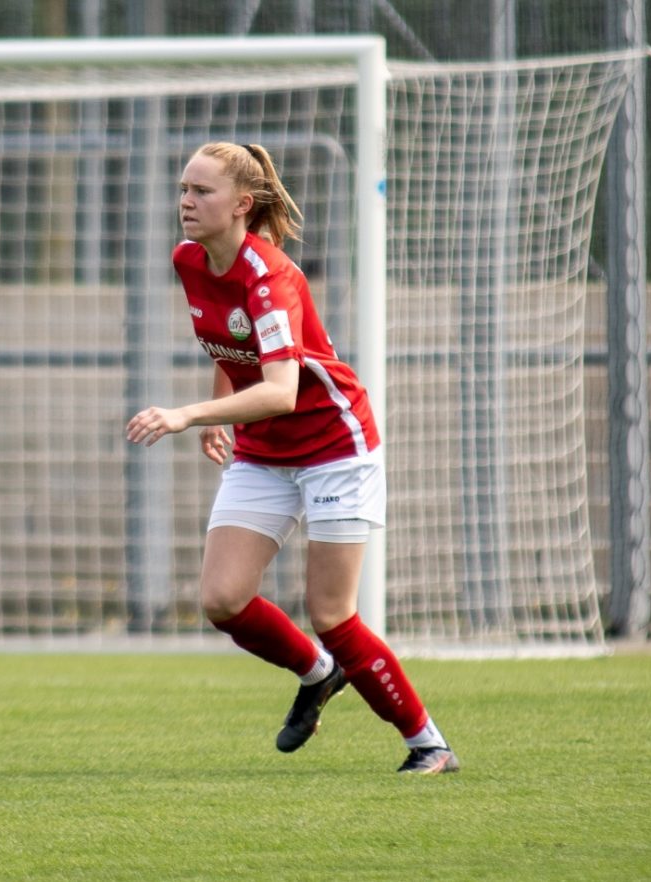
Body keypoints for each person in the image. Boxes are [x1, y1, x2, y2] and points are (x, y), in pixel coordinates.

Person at [125, 142, 458, 774]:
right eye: (183, 189)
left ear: (242, 205)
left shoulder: (271, 275)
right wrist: (222, 404)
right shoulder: (189, 260)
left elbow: (279, 392)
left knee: (332, 613)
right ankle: (317, 673)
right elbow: (233, 348)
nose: (186, 203)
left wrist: (189, 414)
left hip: (334, 446)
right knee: (223, 599)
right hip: (263, 451)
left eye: (202, 192)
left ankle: (428, 743)